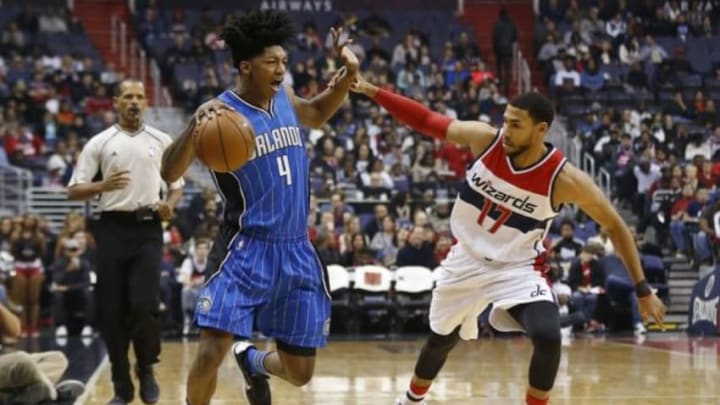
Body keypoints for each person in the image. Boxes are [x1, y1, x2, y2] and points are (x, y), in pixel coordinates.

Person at [349, 76, 666, 405]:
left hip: (517, 268)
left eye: (516, 125)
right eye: (505, 121)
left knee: (548, 337)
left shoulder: (565, 179)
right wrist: (372, 90)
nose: (506, 131)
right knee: (441, 341)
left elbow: (616, 227)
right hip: (466, 260)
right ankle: (413, 399)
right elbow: (428, 120)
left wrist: (643, 289)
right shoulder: (485, 140)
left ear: (540, 130)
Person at [160, 9, 359, 405]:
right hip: (244, 248)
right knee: (210, 351)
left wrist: (348, 76)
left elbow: (318, 113)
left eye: (284, 61)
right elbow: (169, 170)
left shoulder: (283, 96)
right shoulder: (219, 114)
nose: (281, 69)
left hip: (296, 248)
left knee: (300, 374)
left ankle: (252, 362)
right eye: (272, 62)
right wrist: (193, 126)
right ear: (246, 66)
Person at [67, 79, 184, 405]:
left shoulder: (162, 140)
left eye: (139, 97)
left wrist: (169, 206)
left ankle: (146, 368)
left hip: (148, 228)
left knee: (145, 305)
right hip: (110, 230)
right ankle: (121, 387)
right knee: (111, 312)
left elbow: (176, 186)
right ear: (116, 102)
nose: (134, 102)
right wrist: (102, 185)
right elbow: (73, 189)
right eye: (128, 97)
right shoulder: (100, 142)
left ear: (146, 103)